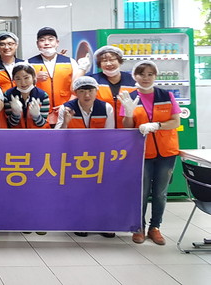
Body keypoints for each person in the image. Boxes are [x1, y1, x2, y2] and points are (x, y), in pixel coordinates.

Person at [120, 60, 181, 246]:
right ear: (134, 76)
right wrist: (128, 113)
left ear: (155, 76)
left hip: (166, 152)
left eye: (150, 74)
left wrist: (157, 125)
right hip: (142, 153)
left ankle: (155, 227)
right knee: (142, 191)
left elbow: (176, 121)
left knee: (160, 193)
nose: (145, 78)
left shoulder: (166, 96)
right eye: (141, 74)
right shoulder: (129, 97)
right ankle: (139, 227)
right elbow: (127, 127)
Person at [56, 75, 116, 238]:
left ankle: (105, 223)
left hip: (99, 156)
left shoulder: (106, 108)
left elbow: (110, 135)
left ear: (96, 91)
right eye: (82, 91)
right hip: (75, 157)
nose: (87, 95)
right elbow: (57, 136)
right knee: (78, 191)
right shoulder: (66, 108)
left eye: (90, 91)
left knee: (102, 190)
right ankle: (80, 221)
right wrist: (66, 122)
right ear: (76, 93)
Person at [27, 27, 87, 127]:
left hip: (66, 112)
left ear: (57, 42)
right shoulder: (29, 64)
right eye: (42, 40)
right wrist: (34, 79)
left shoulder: (70, 62)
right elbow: (21, 87)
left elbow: (77, 88)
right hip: (38, 113)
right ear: (37, 44)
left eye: (50, 39)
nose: (46, 43)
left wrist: (67, 105)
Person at [92, 45, 136, 128]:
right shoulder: (93, 80)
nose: (108, 64)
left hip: (128, 127)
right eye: (104, 61)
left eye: (112, 60)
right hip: (101, 128)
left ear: (119, 61)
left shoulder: (132, 80)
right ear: (99, 64)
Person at [3, 63, 49, 129]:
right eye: (18, 79)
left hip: (37, 133)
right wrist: (15, 114)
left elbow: (42, 124)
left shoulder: (43, 95)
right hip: (16, 133)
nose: (23, 82)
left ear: (33, 77)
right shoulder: (8, 95)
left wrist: (36, 116)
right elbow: (10, 124)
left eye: (26, 78)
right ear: (13, 79)